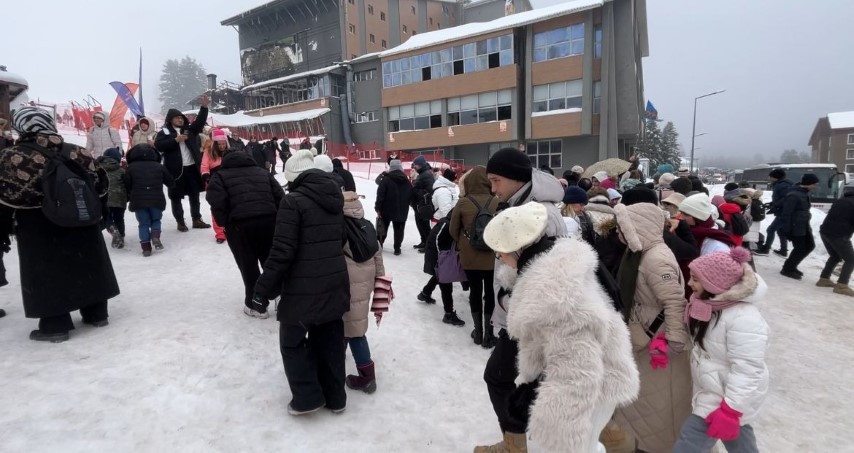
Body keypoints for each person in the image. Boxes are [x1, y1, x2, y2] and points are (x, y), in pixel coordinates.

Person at [484, 202, 639, 453]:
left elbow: (578, 370)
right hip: (594, 375)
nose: (499, 258)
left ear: (517, 247)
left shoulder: (555, 294)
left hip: (587, 391)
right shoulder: (555, 258)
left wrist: (565, 426)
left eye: (499, 252)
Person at [474, 148, 566, 453]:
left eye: (496, 180)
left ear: (516, 179)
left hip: (530, 320)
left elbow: (546, 273)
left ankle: (516, 444)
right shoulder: (523, 205)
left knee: (498, 378)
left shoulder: (540, 214)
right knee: (525, 381)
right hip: (519, 315)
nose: (493, 188)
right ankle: (518, 440)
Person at [0, 107, 119, 342]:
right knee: (88, 263)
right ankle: (96, 312)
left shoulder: (12, 156)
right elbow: (101, 185)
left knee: (47, 272)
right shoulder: (77, 152)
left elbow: (5, 196)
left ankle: (55, 324)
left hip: (39, 226)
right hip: (82, 219)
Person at [253, 149, 350, 416]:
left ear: (293, 177)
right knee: (330, 339)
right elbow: (341, 237)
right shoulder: (334, 197)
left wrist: (263, 289)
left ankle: (307, 398)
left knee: (292, 341)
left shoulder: (292, 202)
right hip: (334, 281)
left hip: (302, 287)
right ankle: (336, 397)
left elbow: (282, 251)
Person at [612, 201, 693, 453]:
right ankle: (639, 441)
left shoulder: (656, 258)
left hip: (658, 341)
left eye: (622, 227)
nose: (618, 232)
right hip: (644, 332)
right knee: (643, 398)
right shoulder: (641, 253)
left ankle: (658, 445)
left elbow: (674, 301)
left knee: (658, 400)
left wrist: (674, 339)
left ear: (638, 227)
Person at [673, 248, 768, 453]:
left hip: (727, 395)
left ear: (713, 284)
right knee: (739, 442)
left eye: (695, 279)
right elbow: (703, 343)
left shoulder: (744, 319)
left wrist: (730, 410)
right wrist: (668, 341)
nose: (690, 284)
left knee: (689, 443)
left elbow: (748, 369)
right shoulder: (709, 306)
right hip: (715, 386)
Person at [206, 142, 284, 317]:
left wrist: (225, 222)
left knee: (248, 265)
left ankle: (256, 305)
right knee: (271, 261)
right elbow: (280, 196)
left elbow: (215, 200)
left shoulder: (220, 176)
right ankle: (281, 297)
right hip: (268, 222)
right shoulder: (263, 173)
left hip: (239, 226)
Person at [341, 190, 386, 393]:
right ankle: (337, 356)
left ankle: (367, 377)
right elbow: (377, 255)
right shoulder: (366, 224)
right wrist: (380, 281)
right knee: (351, 324)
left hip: (348, 284)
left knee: (354, 331)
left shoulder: (339, 227)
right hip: (365, 283)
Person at [449, 166, 497, 346]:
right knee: (490, 292)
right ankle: (489, 335)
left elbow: (453, 230)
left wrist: (465, 242)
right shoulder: (495, 201)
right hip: (492, 255)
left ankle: (478, 332)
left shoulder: (463, 202)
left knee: (475, 292)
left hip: (469, 255)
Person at [154, 98, 211, 232]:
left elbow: (200, 122)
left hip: (191, 167)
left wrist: (203, 108)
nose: (180, 120)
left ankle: (196, 219)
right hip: (175, 170)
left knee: (194, 194)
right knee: (175, 197)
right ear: (170, 120)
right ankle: (180, 221)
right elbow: (159, 146)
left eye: (181, 117)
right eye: (176, 118)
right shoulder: (164, 132)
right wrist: (175, 140)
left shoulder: (189, 130)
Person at [125, 144, 175, 256]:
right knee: (156, 220)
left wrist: (129, 195)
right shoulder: (159, 166)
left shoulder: (131, 167)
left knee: (143, 223)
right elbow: (170, 182)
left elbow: (127, 185)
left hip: (138, 201)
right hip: (156, 199)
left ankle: (146, 248)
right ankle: (155, 236)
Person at [418, 208, 466, 326]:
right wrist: (443, 257)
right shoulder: (446, 224)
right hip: (439, 256)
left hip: (440, 257)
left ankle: (425, 293)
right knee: (446, 283)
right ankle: (448, 314)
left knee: (440, 276)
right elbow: (437, 240)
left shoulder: (448, 222)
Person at [779, 173, 819, 280]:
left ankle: (791, 265)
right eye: (815, 184)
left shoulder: (805, 193)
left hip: (804, 225)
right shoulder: (793, 195)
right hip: (795, 226)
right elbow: (786, 214)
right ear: (808, 183)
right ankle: (787, 269)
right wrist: (787, 230)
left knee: (810, 246)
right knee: (800, 249)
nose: (816, 186)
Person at [816, 190, 854, 296]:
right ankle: (842, 286)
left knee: (835, 256)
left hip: (825, 232)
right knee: (851, 260)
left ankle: (824, 279)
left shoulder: (841, 200)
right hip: (839, 235)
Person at [375, 159, 412, 255]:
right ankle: (397, 248)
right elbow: (410, 195)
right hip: (402, 209)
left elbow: (380, 195)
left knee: (383, 227)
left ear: (391, 168)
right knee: (399, 229)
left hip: (386, 209)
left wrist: (378, 207)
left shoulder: (386, 179)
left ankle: (380, 245)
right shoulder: (407, 181)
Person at [201, 129, 229, 243]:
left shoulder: (230, 152)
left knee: (230, 207)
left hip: (228, 182)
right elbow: (204, 167)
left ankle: (230, 228)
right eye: (220, 144)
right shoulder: (208, 152)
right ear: (215, 144)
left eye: (224, 144)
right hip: (214, 183)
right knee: (216, 209)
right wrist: (207, 177)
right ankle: (220, 233)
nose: (222, 146)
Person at [758, 171, 794, 257]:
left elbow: (786, 199)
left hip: (784, 213)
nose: (768, 179)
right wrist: (771, 204)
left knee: (770, 230)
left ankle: (766, 249)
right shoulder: (785, 184)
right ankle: (783, 250)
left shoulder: (781, 186)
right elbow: (782, 199)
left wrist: (775, 205)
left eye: (769, 177)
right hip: (786, 212)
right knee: (781, 230)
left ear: (775, 177)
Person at [98, 147, 128, 249]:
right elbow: (127, 184)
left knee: (107, 218)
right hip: (119, 198)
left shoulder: (99, 169)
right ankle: (121, 237)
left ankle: (113, 229)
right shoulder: (121, 171)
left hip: (104, 199)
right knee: (119, 218)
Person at [411, 155, 435, 250]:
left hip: (424, 205)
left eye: (415, 165)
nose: (414, 167)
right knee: (420, 224)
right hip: (418, 204)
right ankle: (423, 241)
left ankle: (428, 245)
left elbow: (430, 190)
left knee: (424, 226)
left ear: (420, 165)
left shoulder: (427, 174)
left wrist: (416, 191)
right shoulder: (422, 174)